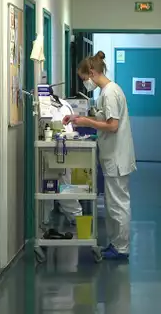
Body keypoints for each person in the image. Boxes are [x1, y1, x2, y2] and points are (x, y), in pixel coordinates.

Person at [63, 51, 136, 260]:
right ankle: (116, 244)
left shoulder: (110, 93)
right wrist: (79, 117)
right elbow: (103, 118)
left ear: (93, 72)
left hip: (117, 157)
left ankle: (121, 248)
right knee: (114, 204)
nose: (86, 83)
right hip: (113, 155)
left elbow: (112, 126)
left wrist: (86, 123)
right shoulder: (106, 92)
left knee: (118, 204)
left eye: (85, 79)